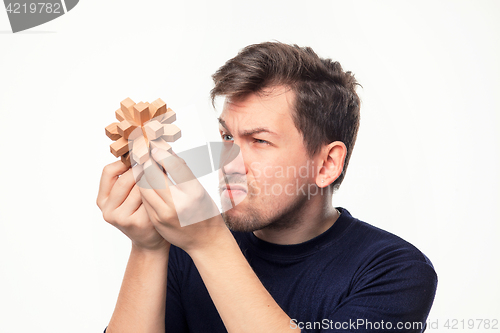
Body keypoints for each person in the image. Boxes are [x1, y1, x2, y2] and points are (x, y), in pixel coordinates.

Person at [97, 42, 437, 333]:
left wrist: (211, 243)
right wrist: (149, 247)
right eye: (227, 136)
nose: (229, 161)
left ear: (327, 163)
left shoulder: (395, 271)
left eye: (259, 140)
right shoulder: (185, 246)